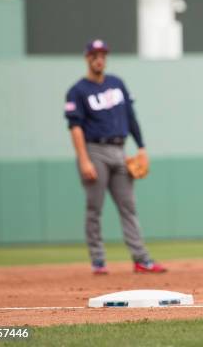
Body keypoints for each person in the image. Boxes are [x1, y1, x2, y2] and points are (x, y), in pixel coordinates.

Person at [64, 39, 166, 275]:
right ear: (87, 58)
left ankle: (141, 259)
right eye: (94, 55)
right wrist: (83, 159)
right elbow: (75, 127)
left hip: (120, 150)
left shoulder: (117, 84)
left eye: (102, 54)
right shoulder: (78, 90)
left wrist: (141, 147)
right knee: (94, 208)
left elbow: (130, 116)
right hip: (94, 151)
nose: (99, 58)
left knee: (129, 206)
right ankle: (98, 260)